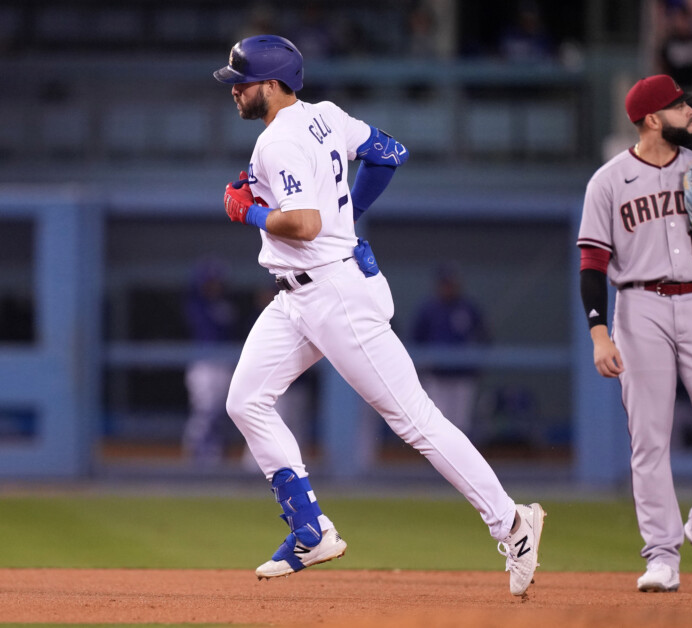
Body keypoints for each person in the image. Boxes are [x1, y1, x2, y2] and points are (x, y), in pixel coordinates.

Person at [212, 34, 543, 596]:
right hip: (300, 293)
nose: (235, 90)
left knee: (416, 420)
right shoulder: (326, 116)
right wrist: (350, 218)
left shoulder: (279, 142)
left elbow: (307, 225)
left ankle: (512, 523)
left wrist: (249, 211)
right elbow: (389, 152)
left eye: (242, 82)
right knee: (245, 400)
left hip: (333, 293)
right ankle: (310, 531)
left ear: (271, 85)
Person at [576, 74, 692, 593]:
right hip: (640, 306)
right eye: (680, 107)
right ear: (653, 119)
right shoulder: (608, 181)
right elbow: (592, 262)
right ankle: (661, 555)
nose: (691, 113)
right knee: (648, 438)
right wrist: (598, 332)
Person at [411, 264, 489, 436]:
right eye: (445, 283)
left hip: (463, 376)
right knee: (436, 423)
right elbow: (416, 340)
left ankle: (459, 462)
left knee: (461, 423)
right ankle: (437, 463)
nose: (448, 287)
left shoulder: (468, 308)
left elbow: (484, 338)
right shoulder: (428, 310)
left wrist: (476, 366)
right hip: (435, 376)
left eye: (451, 283)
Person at [181, 259, 239, 465]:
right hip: (203, 364)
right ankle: (194, 451)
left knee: (221, 411)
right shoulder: (195, 304)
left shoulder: (226, 305)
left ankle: (213, 453)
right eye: (209, 281)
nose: (214, 285)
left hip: (224, 364)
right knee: (204, 410)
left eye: (216, 281)